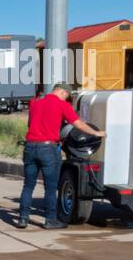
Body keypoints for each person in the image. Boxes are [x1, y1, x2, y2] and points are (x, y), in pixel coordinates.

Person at [16, 84, 105, 229]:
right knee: (50, 188)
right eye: (66, 96)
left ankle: (23, 218)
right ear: (63, 92)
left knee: (28, 185)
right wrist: (96, 133)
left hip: (30, 147)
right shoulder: (62, 105)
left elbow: (31, 124)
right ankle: (50, 220)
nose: (66, 98)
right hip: (48, 149)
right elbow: (79, 125)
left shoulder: (35, 104)